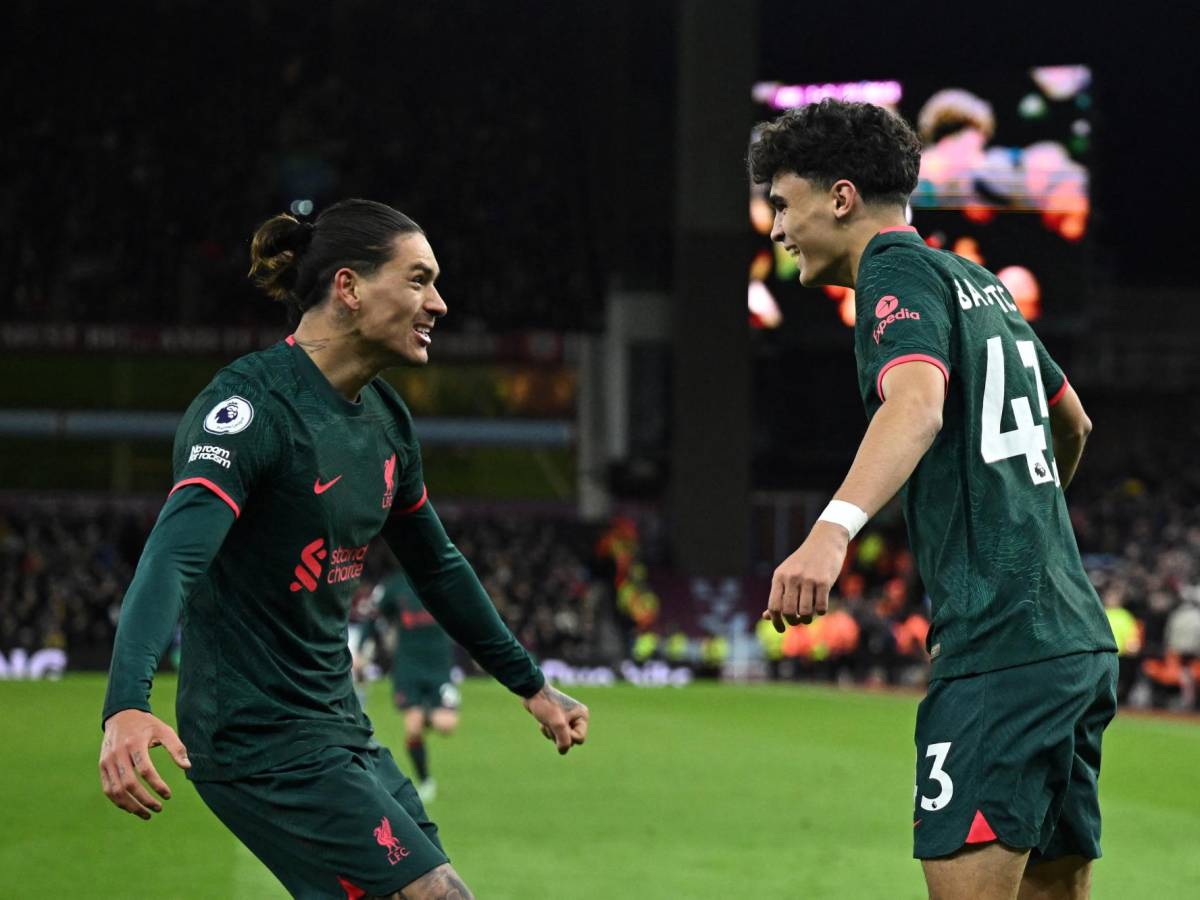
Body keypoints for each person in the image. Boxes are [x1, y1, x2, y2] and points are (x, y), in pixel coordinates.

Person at [99, 199, 590, 900]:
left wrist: (530, 685)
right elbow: (174, 556)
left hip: (339, 728)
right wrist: (125, 703)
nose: (440, 303)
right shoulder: (250, 408)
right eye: (418, 279)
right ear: (349, 288)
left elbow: (438, 566)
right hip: (255, 738)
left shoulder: (387, 421)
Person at [749, 100, 1117, 900]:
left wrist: (829, 533)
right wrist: (1022, 518)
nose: (777, 228)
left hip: (998, 651)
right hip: (1072, 641)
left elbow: (915, 405)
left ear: (840, 198)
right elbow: (1074, 421)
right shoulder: (978, 281)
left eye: (783, 204)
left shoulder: (895, 269)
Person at [373, 569, 460, 804]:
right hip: (408, 667)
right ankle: (425, 782)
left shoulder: (443, 577)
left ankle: (424, 715)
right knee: (412, 727)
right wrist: (364, 648)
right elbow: (377, 616)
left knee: (447, 724)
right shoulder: (395, 586)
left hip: (439, 667)